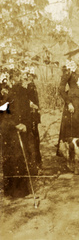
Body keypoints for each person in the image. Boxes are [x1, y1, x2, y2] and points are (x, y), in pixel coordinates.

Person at [0, 67, 36, 198]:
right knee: (10, 157)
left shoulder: (22, 91)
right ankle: (11, 191)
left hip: (20, 127)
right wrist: (13, 124)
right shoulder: (5, 93)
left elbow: (25, 110)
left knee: (21, 156)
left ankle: (21, 190)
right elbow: (3, 112)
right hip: (8, 128)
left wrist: (25, 124)